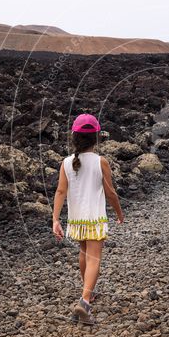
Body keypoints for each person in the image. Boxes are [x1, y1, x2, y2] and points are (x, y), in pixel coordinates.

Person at [52, 113, 125, 325]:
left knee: (84, 254)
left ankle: (88, 292)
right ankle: (84, 302)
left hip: (76, 220)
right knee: (94, 259)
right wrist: (119, 214)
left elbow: (60, 191)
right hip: (95, 218)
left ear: (74, 137)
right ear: (96, 138)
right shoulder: (100, 162)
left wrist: (55, 219)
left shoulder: (65, 163)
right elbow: (110, 193)